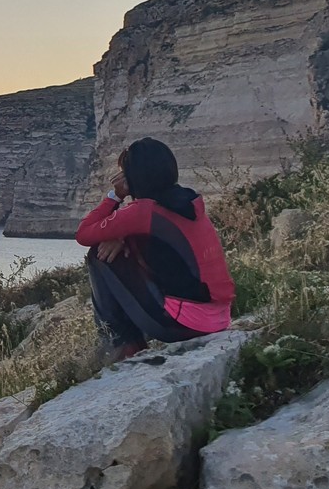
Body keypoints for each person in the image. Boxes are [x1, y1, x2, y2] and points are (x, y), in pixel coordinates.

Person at [74, 137, 234, 362]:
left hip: (182, 324)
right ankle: (128, 342)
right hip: (219, 317)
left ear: (133, 177)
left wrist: (115, 196)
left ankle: (121, 345)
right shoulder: (189, 201)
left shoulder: (142, 212)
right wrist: (123, 236)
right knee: (119, 248)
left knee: (98, 256)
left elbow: (84, 234)